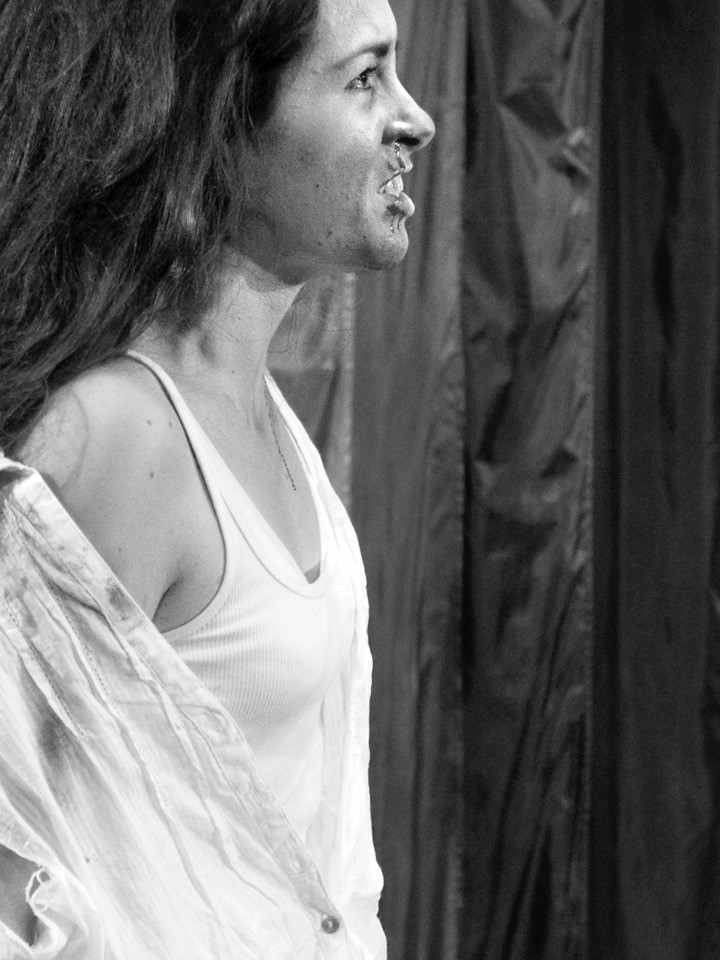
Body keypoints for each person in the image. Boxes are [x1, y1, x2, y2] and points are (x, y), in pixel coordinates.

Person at [0, 0, 433, 955]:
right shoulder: (120, 435)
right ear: (223, 118)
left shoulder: (258, 411)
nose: (417, 119)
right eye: (366, 78)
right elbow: (14, 865)